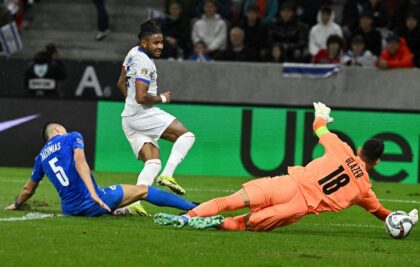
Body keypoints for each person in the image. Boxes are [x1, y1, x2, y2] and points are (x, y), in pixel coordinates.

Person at [154, 102, 419, 231]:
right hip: (299, 206)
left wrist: (321, 114)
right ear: (377, 162)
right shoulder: (364, 190)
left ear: (360, 150)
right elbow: (382, 213)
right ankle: (216, 225)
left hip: (287, 184)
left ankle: (186, 218)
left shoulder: (343, 149)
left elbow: (319, 128)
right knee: (245, 223)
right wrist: (405, 218)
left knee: (230, 199)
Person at [4, 123, 197, 216]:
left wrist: (17, 204)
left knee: (114, 196)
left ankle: (116, 210)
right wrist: (93, 194)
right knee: (144, 190)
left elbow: (28, 189)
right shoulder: (71, 137)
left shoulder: (41, 157)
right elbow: (80, 162)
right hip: (92, 201)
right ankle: (194, 207)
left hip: (70, 209)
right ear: (56, 130)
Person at [117, 20, 196, 215]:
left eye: (161, 42)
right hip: (142, 113)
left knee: (152, 162)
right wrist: (163, 98)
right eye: (156, 43)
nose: (160, 46)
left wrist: (131, 106)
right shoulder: (144, 62)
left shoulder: (133, 52)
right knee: (186, 136)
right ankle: (167, 176)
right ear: (144, 42)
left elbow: (120, 83)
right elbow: (142, 96)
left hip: (129, 117)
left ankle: (133, 202)